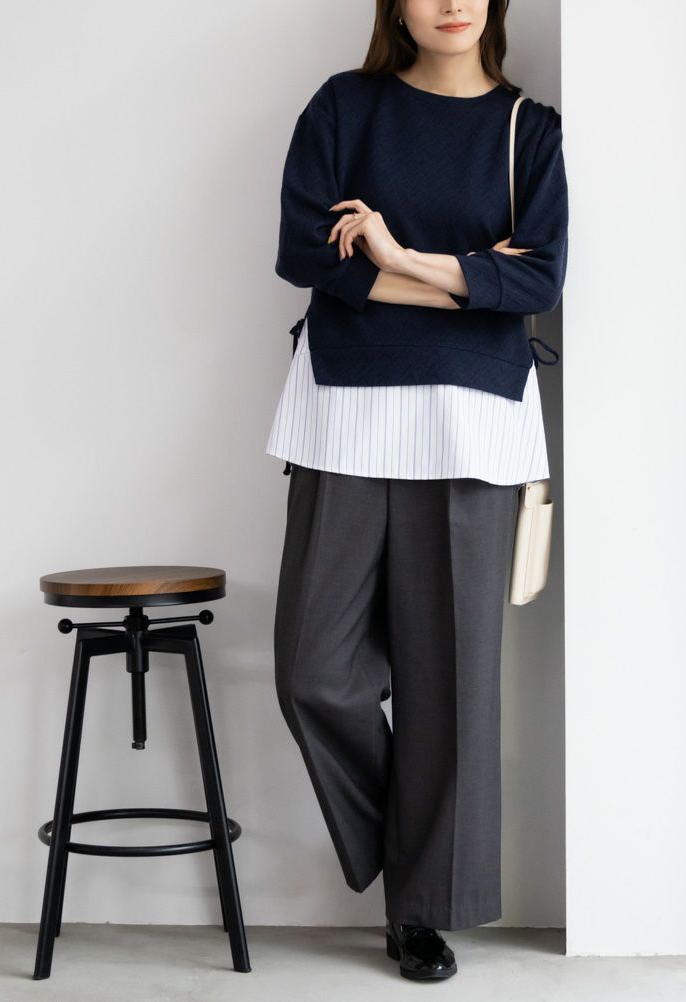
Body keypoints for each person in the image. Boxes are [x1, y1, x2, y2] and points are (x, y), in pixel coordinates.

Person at [266, 0, 568, 982]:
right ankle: (419, 849)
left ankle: (421, 912)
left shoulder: (528, 129)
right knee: (312, 672)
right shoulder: (345, 108)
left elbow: (540, 283)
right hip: (345, 412)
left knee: (452, 688)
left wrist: (390, 258)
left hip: (474, 422)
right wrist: (466, 278)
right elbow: (303, 254)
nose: (451, 2)